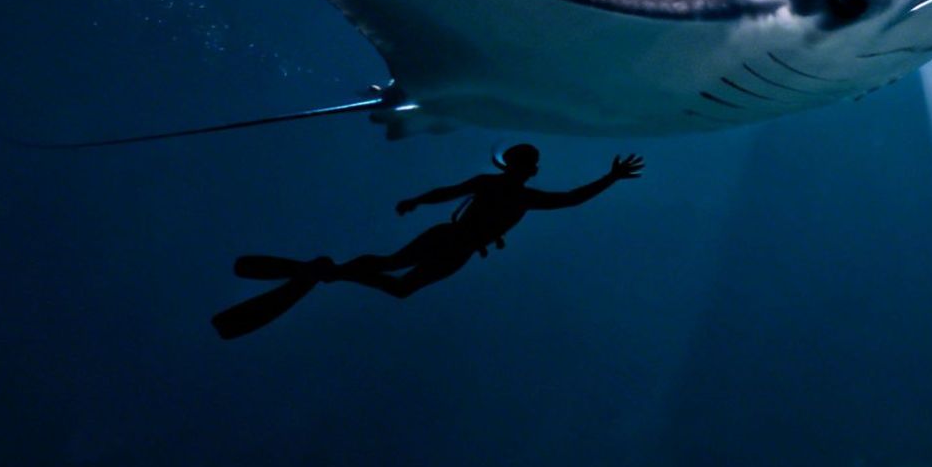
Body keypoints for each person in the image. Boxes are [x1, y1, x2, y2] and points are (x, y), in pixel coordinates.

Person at [211, 145, 644, 339]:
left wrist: (417, 200)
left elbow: (570, 200)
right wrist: (417, 200)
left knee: (395, 281)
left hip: (455, 245)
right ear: (528, 168)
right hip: (453, 240)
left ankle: (329, 270)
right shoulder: (512, 191)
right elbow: (570, 199)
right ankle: (329, 271)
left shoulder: (511, 190)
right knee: (389, 272)